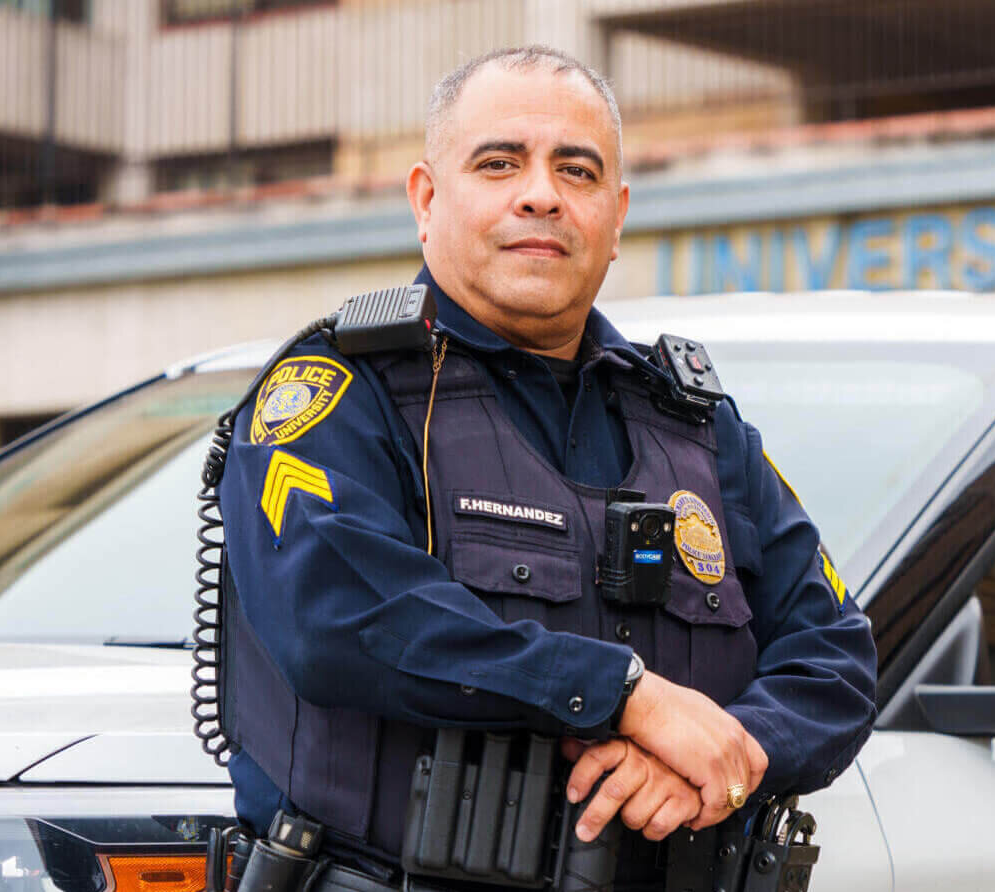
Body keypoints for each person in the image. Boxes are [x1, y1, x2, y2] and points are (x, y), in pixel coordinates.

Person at [216, 45, 877, 889]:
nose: (541, 193)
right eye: (498, 163)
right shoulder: (339, 396)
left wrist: (723, 755)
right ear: (427, 199)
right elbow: (338, 613)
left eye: (577, 170)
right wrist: (630, 697)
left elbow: (834, 656)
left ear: (616, 213)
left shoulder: (699, 427)